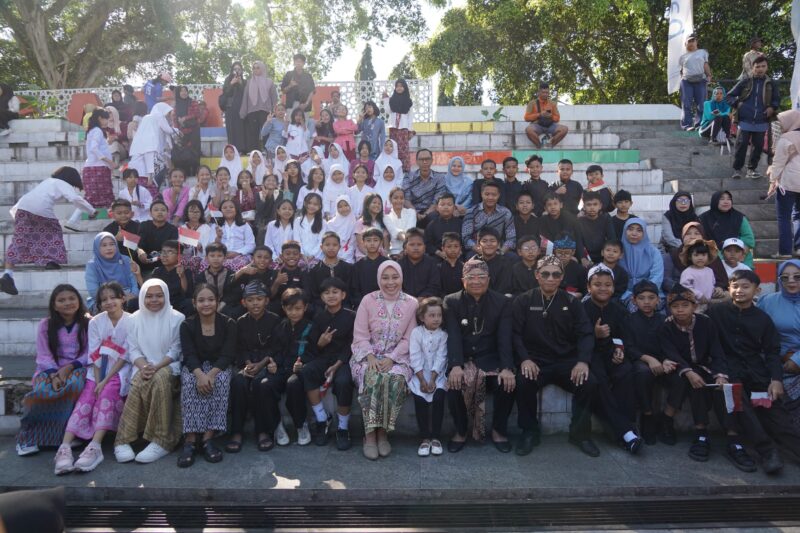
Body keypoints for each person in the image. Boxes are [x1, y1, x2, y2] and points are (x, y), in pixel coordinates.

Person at [513, 257, 642, 457]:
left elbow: (585, 333)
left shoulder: (572, 301)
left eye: (556, 274)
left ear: (562, 277)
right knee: (523, 381)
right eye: (545, 273)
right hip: (536, 360)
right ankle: (529, 432)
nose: (550, 278)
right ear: (537, 275)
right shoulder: (524, 300)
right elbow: (515, 334)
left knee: (589, 383)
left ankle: (580, 435)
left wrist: (582, 362)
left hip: (565, 360)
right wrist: (525, 359)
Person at [709, 270, 800, 473]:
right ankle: (768, 452)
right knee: (737, 399)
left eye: (745, 286)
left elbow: (772, 351)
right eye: (735, 286)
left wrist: (776, 379)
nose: (739, 291)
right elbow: (708, 341)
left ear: (756, 290)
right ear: (729, 288)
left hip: (756, 372)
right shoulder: (716, 312)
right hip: (727, 371)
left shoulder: (762, 319)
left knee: (773, 410)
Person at [55, 282, 132, 474]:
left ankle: (95, 446)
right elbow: (94, 352)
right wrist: (98, 381)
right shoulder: (96, 322)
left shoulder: (133, 321)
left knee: (107, 392)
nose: (109, 302)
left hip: (120, 370)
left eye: (113, 297)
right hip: (97, 370)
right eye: (104, 299)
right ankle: (64, 447)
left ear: (123, 299)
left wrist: (104, 382)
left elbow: (126, 355)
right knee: (88, 396)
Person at [444, 259, 515, 453]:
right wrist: (456, 365)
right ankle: (460, 431)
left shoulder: (502, 302)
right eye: (471, 277)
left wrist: (507, 367)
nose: (476, 281)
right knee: (454, 384)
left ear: (489, 279)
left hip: (490, 358)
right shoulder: (451, 301)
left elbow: (504, 337)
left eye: (481, 277)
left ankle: (499, 431)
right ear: (463, 280)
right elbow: (453, 335)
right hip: (464, 358)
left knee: (507, 384)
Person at [351, 260, 418, 459]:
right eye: (385, 277)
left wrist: (392, 358)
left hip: (398, 358)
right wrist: (370, 356)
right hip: (366, 357)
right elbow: (360, 334)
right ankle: (370, 435)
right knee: (372, 377)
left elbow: (410, 338)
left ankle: (383, 433)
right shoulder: (368, 300)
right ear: (378, 279)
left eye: (395, 277)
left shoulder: (412, 303)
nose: (390, 282)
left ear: (401, 278)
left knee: (394, 379)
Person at [114, 279, 184, 464]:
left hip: (169, 366)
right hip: (142, 366)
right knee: (139, 381)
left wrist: (156, 367)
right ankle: (123, 440)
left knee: (159, 379)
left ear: (166, 296)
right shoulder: (133, 319)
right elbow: (133, 350)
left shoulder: (177, 318)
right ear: (142, 297)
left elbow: (175, 350)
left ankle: (161, 441)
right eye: (149, 296)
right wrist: (144, 366)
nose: (154, 300)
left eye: (159, 296)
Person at [15, 285, 90, 457]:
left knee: (74, 385)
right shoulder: (45, 325)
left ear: (79, 301)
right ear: (54, 305)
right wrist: (54, 374)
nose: (67, 303)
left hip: (78, 367)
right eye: (61, 300)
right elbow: (43, 354)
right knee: (42, 390)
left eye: (71, 298)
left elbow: (89, 352)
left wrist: (68, 369)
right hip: (48, 369)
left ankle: (66, 435)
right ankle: (28, 438)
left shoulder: (88, 323)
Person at [1, 167, 96, 295]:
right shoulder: (62, 183)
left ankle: (7, 274)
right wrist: (91, 211)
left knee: (19, 241)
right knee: (54, 231)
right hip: (40, 209)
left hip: (22, 208)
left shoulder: (48, 181)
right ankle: (51, 260)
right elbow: (75, 199)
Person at [176, 284, 235, 468]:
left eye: (211, 299)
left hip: (219, 367)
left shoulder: (228, 323)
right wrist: (200, 375)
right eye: (201, 300)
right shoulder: (187, 325)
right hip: (195, 367)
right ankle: (190, 439)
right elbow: (189, 354)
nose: (206, 304)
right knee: (189, 381)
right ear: (194, 303)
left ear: (217, 301)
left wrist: (210, 374)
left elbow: (228, 354)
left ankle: (208, 438)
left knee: (222, 381)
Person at [300, 278, 356, 449]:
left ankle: (343, 428)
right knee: (307, 371)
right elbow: (311, 346)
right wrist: (320, 343)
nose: (331, 296)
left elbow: (352, 344)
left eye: (335, 292)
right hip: (323, 358)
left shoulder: (351, 316)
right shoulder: (318, 317)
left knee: (343, 381)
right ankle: (322, 419)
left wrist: (338, 364)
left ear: (343, 295)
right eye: (326, 292)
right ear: (321, 296)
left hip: (343, 360)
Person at [228, 281, 283, 451]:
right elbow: (239, 348)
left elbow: (277, 347)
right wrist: (247, 364)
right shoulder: (240, 322)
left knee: (262, 385)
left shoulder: (275, 320)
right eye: (250, 300)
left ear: (266, 300)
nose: (255, 303)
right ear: (243, 302)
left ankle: (262, 431)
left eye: (259, 299)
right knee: (238, 382)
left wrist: (261, 365)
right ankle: (237, 431)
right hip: (248, 365)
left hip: (268, 364)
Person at [758, 260, 800, 428]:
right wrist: (783, 357)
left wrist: (797, 360)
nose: (791, 281)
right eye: (785, 277)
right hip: (777, 360)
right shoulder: (767, 301)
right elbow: (759, 334)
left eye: (797, 276)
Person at [624, 280, 666, 444]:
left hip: (663, 360)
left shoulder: (664, 320)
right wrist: (649, 359)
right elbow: (629, 347)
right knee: (643, 372)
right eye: (641, 298)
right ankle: (647, 415)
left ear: (658, 300)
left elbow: (670, 344)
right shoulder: (629, 320)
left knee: (679, 377)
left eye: (651, 298)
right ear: (634, 300)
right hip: (640, 360)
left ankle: (667, 420)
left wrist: (666, 360)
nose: (646, 302)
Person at [727, 56, 779, 179]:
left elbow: (776, 99)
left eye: (763, 66)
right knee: (741, 145)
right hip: (745, 120)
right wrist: (738, 104)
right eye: (757, 67)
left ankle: (752, 169)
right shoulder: (745, 81)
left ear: (767, 67)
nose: (760, 69)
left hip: (762, 120)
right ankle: (737, 170)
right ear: (752, 68)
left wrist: (772, 108)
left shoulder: (771, 83)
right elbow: (729, 96)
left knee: (758, 147)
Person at [408, 297, 447, 457]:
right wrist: (422, 380)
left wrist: (432, 379)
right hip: (419, 375)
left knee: (438, 398)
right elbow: (415, 356)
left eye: (439, 315)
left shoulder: (443, 335)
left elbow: (441, 357)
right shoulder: (416, 333)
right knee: (420, 400)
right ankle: (424, 438)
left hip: (438, 376)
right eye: (431, 315)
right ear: (422, 317)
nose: (436, 319)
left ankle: (436, 437)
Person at [768, 109, 800, 258]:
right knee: (798, 216)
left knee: (784, 218)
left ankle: (785, 251)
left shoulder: (786, 139)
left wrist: (772, 181)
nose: (781, 126)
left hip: (788, 184)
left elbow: (778, 163)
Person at [85, 232, 141, 313]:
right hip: (103, 299)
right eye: (104, 245)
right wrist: (115, 300)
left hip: (127, 297)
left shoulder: (126, 260)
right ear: (97, 248)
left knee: (136, 304)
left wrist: (131, 296)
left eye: (112, 244)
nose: (109, 248)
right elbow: (93, 292)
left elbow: (134, 285)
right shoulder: (92, 265)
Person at [127, 102, 176, 195]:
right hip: (143, 174)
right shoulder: (151, 128)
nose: (169, 116)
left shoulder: (146, 130)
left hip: (140, 172)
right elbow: (149, 153)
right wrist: (150, 175)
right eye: (168, 114)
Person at [698, 191, 755, 267]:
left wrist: (738, 255)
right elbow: (702, 240)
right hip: (714, 257)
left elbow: (749, 239)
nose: (726, 202)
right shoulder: (704, 219)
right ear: (715, 201)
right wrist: (721, 257)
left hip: (739, 258)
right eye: (722, 199)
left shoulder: (739, 217)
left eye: (729, 199)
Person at [461, 181, 516, 257]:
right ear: (481, 194)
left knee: (513, 257)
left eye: (494, 195)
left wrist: (501, 252)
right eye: (487, 194)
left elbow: (511, 238)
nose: (490, 197)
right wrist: (478, 249)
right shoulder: (471, 212)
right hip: (478, 249)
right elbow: (466, 237)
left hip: (498, 249)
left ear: (499, 195)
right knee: (470, 256)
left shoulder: (505, 212)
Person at [78, 109, 117, 213]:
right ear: (100, 118)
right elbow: (94, 148)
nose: (107, 122)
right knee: (104, 196)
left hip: (92, 167)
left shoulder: (92, 131)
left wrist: (108, 142)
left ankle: (76, 219)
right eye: (106, 119)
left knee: (91, 198)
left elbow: (97, 147)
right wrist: (110, 162)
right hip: (98, 168)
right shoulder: (97, 131)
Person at [620, 218, 663, 305]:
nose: (634, 233)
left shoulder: (653, 252)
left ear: (644, 233)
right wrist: (628, 294)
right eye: (630, 229)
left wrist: (643, 294)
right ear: (624, 231)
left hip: (649, 292)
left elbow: (657, 276)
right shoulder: (618, 251)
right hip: (623, 293)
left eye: (639, 230)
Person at [537, 192, 587, 264]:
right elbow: (546, 242)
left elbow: (578, 238)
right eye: (549, 205)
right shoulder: (542, 221)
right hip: (551, 253)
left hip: (569, 253)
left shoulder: (570, 219)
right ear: (545, 208)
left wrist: (582, 257)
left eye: (555, 204)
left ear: (561, 205)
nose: (553, 207)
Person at [239, 61, 278, 153]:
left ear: (262, 68)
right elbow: (245, 98)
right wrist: (243, 112)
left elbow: (274, 97)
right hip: (252, 111)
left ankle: (266, 149)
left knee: (266, 131)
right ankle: (254, 151)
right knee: (253, 132)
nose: (255, 70)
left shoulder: (269, 82)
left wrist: (274, 110)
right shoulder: (249, 83)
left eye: (258, 67)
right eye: (254, 68)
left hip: (266, 111)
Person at [307, 233, 353, 307]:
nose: (331, 248)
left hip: (344, 307)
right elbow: (314, 294)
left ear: (339, 247)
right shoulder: (315, 271)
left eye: (334, 245)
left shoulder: (348, 268)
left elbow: (350, 291)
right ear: (321, 247)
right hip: (321, 309)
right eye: (327, 245)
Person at [402, 148, 446, 225]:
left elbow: (437, 201)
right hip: (412, 211)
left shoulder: (439, 178)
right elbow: (406, 200)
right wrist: (415, 213)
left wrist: (426, 214)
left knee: (436, 217)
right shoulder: (408, 177)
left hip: (431, 213)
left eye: (427, 159)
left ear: (432, 160)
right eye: (421, 159)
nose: (425, 162)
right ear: (416, 161)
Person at [135, 200, 179, 275]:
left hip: (163, 265)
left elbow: (171, 248)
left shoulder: (173, 229)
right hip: (143, 263)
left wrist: (153, 258)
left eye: (163, 210)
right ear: (150, 213)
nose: (160, 212)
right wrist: (141, 253)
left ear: (167, 213)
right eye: (156, 210)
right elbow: (139, 244)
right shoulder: (144, 225)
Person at [678, 34, 712, 131]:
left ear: (696, 42)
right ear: (685, 44)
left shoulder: (703, 52)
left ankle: (700, 124)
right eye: (689, 41)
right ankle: (687, 125)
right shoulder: (682, 57)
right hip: (686, 81)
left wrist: (709, 75)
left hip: (700, 80)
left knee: (701, 103)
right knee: (686, 103)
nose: (691, 43)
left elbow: (705, 65)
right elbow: (681, 70)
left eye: (693, 40)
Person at [172, 86, 206, 176]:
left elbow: (197, 113)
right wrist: (177, 130)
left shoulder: (193, 102)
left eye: (185, 91)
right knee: (183, 154)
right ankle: (184, 173)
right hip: (182, 133)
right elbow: (174, 119)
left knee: (195, 152)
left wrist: (185, 118)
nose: (184, 93)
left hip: (193, 131)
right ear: (178, 93)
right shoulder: (176, 104)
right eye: (182, 91)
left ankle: (196, 173)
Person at [214, 199, 256, 271]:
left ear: (236, 210)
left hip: (240, 255)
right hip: (221, 256)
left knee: (238, 264)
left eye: (231, 207)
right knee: (207, 264)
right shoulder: (216, 226)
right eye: (224, 208)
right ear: (220, 211)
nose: (228, 209)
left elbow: (251, 245)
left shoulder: (244, 225)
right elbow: (212, 246)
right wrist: (218, 237)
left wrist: (237, 253)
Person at [398, 228, 442, 298]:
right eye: (412, 245)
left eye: (419, 244)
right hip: (404, 299)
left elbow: (434, 286)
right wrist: (410, 299)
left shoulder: (432, 263)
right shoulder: (399, 264)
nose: (416, 248)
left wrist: (422, 297)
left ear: (424, 248)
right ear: (405, 248)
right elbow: (396, 286)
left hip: (426, 299)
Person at [350, 228, 388, 307]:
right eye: (368, 240)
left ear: (381, 242)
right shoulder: (357, 266)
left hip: (385, 304)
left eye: (375, 240)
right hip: (363, 305)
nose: (372, 243)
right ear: (363, 242)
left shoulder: (387, 264)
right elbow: (355, 290)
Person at [524, 82, 568, 147]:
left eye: (547, 92)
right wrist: (539, 114)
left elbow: (557, 118)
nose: (545, 94)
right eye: (543, 92)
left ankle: (551, 146)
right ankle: (539, 147)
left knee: (564, 129)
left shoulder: (552, 103)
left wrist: (551, 116)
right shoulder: (532, 103)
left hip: (550, 125)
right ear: (539, 92)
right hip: (537, 125)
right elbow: (526, 118)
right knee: (528, 130)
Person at [383, 79, 415, 171]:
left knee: (403, 149)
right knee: (393, 148)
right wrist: (385, 99)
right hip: (393, 128)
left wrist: (410, 130)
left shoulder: (408, 101)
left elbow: (410, 116)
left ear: (405, 87)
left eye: (401, 86)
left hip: (403, 128)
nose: (399, 88)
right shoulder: (392, 100)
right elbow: (388, 111)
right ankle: (393, 169)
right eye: (397, 86)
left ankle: (405, 170)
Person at [679, 239, 718, 311]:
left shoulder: (709, 270)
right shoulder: (688, 272)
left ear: (708, 256)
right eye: (696, 255)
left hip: (709, 303)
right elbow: (685, 287)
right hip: (695, 305)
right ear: (690, 257)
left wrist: (715, 291)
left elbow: (712, 284)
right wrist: (699, 295)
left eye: (703, 255)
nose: (700, 258)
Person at [578, 190, 615, 264]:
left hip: (603, 255)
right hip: (586, 256)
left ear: (600, 206)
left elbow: (611, 238)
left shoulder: (606, 218)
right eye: (589, 205)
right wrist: (582, 258)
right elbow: (579, 242)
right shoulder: (579, 221)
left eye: (595, 204)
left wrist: (607, 257)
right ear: (584, 207)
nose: (592, 207)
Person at [475, 227, 514, 295]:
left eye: (492, 241)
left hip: (498, 298)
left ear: (498, 244)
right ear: (478, 245)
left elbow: (503, 288)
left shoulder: (505, 264)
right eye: (484, 241)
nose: (489, 244)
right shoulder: (473, 263)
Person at [425, 193, 463, 257]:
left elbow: (464, 241)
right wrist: (438, 252)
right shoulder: (432, 225)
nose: (446, 207)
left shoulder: (460, 223)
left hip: (457, 255)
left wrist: (459, 252)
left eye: (449, 204)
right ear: (437, 208)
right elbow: (427, 243)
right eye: (442, 205)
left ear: (454, 207)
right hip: (438, 256)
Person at [295, 192, 327, 264]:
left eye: (315, 204)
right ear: (304, 203)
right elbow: (297, 239)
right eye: (309, 203)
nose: (311, 206)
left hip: (317, 258)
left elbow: (321, 241)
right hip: (300, 257)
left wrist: (312, 255)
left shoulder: (323, 222)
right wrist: (302, 254)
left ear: (320, 206)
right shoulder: (298, 221)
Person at [384, 188, 417, 256]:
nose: (399, 200)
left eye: (401, 198)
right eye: (395, 198)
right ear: (390, 199)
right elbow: (395, 232)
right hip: (395, 252)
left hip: (411, 251)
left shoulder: (411, 212)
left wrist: (408, 247)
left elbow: (410, 231)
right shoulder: (386, 217)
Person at [221, 62, 246, 151]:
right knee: (231, 129)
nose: (237, 71)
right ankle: (232, 150)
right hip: (230, 109)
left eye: (239, 69)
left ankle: (241, 149)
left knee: (241, 129)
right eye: (235, 69)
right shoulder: (228, 80)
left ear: (242, 71)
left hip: (241, 109)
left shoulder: (244, 81)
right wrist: (231, 83)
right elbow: (225, 93)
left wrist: (241, 84)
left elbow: (246, 95)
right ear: (232, 70)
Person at [326, 195, 357, 263]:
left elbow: (352, 243)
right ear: (336, 208)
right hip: (333, 255)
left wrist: (345, 256)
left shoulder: (354, 222)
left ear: (350, 205)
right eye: (340, 206)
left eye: (346, 205)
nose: (344, 208)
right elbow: (329, 242)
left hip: (349, 256)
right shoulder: (330, 224)